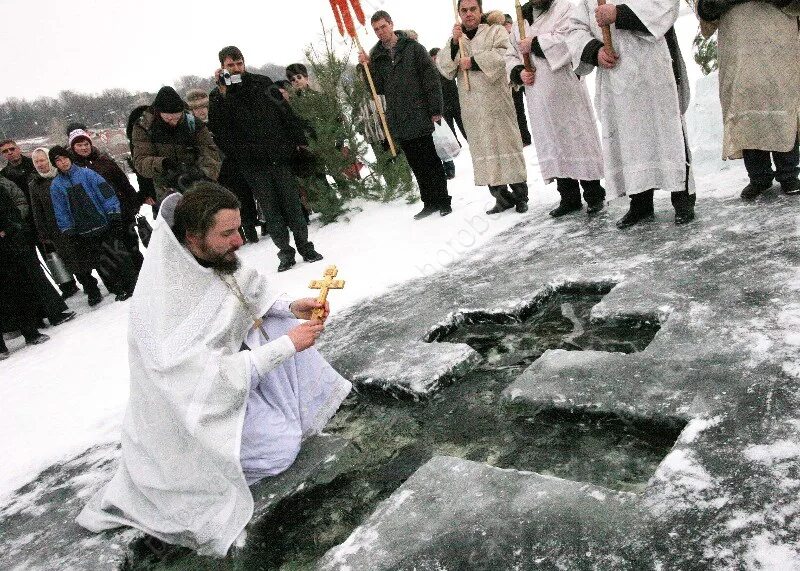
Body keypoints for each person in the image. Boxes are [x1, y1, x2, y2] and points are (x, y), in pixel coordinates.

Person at [76, 183, 351, 556]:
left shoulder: (215, 257)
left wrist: (292, 308)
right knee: (280, 449)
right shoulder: (166, 299)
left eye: (239, 229)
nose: (239, 240)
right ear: (192, 237)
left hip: (229, 381)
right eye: (227, 233)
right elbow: (198, 380)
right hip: (191, 415)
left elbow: (249, 297)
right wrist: (287, 346)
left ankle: (285, 416)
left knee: (283, 328)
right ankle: (208, 471)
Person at [566, 0, 696, 228]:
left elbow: (665, 6)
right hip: (617, 76)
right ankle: (640, 203)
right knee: (630, 140)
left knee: (667, 132)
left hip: (654, 68)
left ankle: (683, 199)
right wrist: (594, 51)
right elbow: (574, 28)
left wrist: (619, 14)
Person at [208, 46, 323, 272]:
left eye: (239, 63)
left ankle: (305, 246)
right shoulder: (218, 95)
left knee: (292, 204)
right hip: (252, 164)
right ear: (222, 67)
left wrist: (298, 141)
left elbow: (284, 111)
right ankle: (285, 252)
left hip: (278, 155)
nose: (236, 68)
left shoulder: (261, 82)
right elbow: (219, 129)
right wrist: (222, 92)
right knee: (271, 210)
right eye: (230, 65)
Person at [506, 0, 606, 217]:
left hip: (566, 91)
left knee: (578, 142)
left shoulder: (565, 8)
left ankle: (594, 194)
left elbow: (570, 41)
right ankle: (568, 197)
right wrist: (519, 72)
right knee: (554, 144)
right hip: (538, 96)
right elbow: (511, 54)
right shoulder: (520, 20)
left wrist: (534, 44)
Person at [696, 0, 800, 199]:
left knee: (781, 100)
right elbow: (706, 8)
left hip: (778, 37)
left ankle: (788, 174)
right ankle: (758, 176)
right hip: (738, 41)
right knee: (746, 103)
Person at [437, 2, 530, 214]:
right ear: (459, 13)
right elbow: (445, 69)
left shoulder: (495, 31)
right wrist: (453, 43)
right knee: (484, 148)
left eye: (472, 9)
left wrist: (475, 62)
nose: (468, 14)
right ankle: (501, 197)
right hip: (473, 107)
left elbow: (504, 54)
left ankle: (520, 195)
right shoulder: (457, 39)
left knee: (506, 146)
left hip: (497, 101)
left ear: (480, 11)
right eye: (464, 10)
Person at [359, 11, 453, 219]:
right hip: (399, 116)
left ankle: (443, 200)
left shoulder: (412, 48)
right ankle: (428, 202)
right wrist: (365, 67)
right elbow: (377, 88)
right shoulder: (377, 56)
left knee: (430, 159)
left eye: (383, 26)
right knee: (415, 162)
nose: (380, 32)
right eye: (376, 29)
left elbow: (430, 79)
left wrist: (435, 109)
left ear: (391, 24)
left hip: (419, 111)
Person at [49, 146, 136, 301]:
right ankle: (118, 288)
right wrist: (68, 230)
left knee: (120, 255)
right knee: (103, 263)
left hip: (105, 223)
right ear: (55, 164)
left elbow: (107, 194)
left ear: (70, 158)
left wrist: (114, 215)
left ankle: (133, 285)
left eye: (64, 158)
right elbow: (60, 210)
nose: (63, 163)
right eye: (58, 161)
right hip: (84, 231)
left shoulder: (87, 174)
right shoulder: (56, 186)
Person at [0, 176, 74, 354]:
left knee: (19, 289)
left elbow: (13, 211)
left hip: (9, 248)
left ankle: (30, 332)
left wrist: (7, 229)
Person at [29, 148, 104, 306]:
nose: (40, 164)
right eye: (36, 162)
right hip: (57, 229)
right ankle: (90, 288)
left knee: (91, 253)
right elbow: (37, 211)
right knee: (74, 261)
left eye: (42, 160)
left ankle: (109, 280)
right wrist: (43, 233)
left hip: (78, 221)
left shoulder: (62, 175)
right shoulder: (35, 184)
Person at [68, 129, 146, 271]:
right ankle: (128, 283)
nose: (84, 148)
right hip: (99, 219)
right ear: (73, 148)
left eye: (86, 144)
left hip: (122, 212)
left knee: (132, 247)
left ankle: (144, 275)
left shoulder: (104, 161)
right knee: (115, 254)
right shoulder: (72, 170)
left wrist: (132, 205)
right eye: (79, 145)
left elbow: (124, 184)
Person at [132, 86, 222, 204]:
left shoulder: (192, 122)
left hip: (198, 182)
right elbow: (140, 162)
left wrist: (203, 173)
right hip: (166, 188)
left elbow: (210, 153)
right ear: (159, 113)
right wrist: (163, 163)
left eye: (177, 118)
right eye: (169, 119)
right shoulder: (144, 127)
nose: (174, 122)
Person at [429, 47, 464, 180]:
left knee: (464, 127)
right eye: (433, 57)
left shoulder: (445, 69)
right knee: (447, 134)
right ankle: (451, 157)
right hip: (442, 107)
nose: (435, 60)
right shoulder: (430, 72)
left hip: (455, 102)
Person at [503, 14, 533, 148]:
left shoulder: (517, 33)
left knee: (533, 103)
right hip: (515, 78)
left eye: (507, 24)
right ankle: (524, 137)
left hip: (528, 73)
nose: (505, 27)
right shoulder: (504, 38)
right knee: (518, 109)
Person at [0, 140, 36, 210]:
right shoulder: (3, 175)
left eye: (12, 149)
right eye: (5, 151)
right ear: (2, 155)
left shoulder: (35, 165)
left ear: (18, 149)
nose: (10, 152)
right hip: (22, 213)